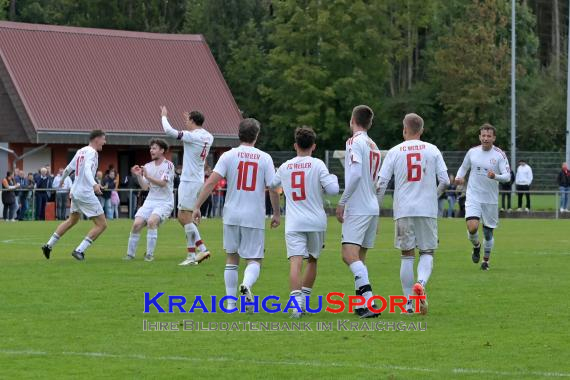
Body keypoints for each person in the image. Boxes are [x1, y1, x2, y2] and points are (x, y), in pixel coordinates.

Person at [192, 118, 279, 312]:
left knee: (231, 258)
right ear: (257, 136)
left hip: (231, 214)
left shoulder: (228, 156)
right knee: (254, 259)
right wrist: (276, 213)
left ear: (238, 133)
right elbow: (273, 188)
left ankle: (231, 304)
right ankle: (247, 285)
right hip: (253, 216)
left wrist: (197, 205)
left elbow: (211, 182)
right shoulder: (264, 158)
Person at [376, 113, 449, 315]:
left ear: (404, 129)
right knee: (427, 252)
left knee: (406, 255)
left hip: (404, 210)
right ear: (422, 130)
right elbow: (445, 180)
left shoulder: (394, 151)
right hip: (426, 210)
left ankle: (409, 304)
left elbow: (381, 184)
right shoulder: (432, 150)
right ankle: (421, 282)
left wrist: (376, 211)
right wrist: (433, 196)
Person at [269, 127, 339, 318]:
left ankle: (296, 305)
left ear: (295, 145)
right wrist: (334, 177)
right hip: (316, 222)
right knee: (313, 260)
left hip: (294, 222)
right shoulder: (318, 164)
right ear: (314, 146)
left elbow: (272, 187)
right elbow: (333, 190)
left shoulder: (285, 167)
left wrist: (276, 212)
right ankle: (305, 302)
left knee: (295, 263)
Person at [335, 105, 381, 319]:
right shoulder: (374, 145)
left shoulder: (354, 142)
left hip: (358, 206)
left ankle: (370, 301)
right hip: (371, 205)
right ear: (369, 123)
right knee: (360, 258)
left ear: (352, 120)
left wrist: (343, 201)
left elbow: (355, 175)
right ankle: (361, 304)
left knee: (348, 255)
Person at [41, 130, 108, 261]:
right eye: (103, 139)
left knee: (73, 220)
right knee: (102, 224)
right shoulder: (92, 152)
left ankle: (48, 245)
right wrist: (94, 184)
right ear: (96, 139)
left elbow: (69, 168)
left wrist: (61, 179)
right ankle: (79, 250)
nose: (104, 142)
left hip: (75, 191)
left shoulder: (81, 151)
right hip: (85, 192)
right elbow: (88, 169)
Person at [161, 106, 214, 266]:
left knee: (183, 217)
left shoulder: (193, 136)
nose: (185, 122)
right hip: (198, 179)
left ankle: (201, 250)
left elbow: (170, 132)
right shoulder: (209, 136)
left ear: (192, 121)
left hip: (189, 180)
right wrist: (191, 118)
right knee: (186, 218)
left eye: (187, 120)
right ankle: (194, 254)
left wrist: (164, 116)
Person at [455, 123, 511, 271]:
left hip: (490, 200)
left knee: (487, 233)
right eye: (483, 135)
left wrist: (495, 176)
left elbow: (507, 176)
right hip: (473, 196)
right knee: (472, 227)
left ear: (494, 138)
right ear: (480, 137)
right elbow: (463, 167)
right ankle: (476, 246)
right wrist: (459, 177)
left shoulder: (499, 155)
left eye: (489, 136)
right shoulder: (472, 152)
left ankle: (485, 261)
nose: (486, 138)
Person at [124, 139, 175, 261]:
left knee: (152, 222)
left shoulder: (169, 165)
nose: (151, 150)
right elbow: (145, 187)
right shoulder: (147, 166)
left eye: (154, 148)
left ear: (162, 150)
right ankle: (130, 255)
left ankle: (149, 255)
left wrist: (147, 176)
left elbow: (163, 183)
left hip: (165, 201)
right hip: (150, 201)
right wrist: (138, 176)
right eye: (151, 148)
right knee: (136, 225)